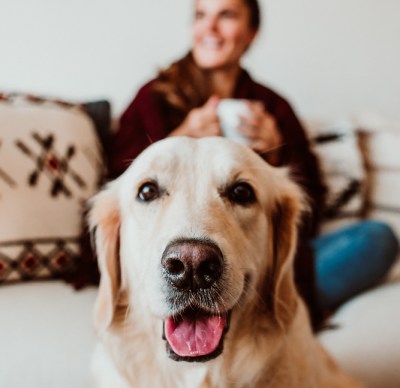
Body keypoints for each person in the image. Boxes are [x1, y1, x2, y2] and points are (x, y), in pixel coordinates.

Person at [107, 0, 399, 328]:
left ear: (251, 33)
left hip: (257, 257)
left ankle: (274, 296)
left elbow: (310, 208)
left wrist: (277, 156)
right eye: (201, 16)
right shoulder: (152, 98)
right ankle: (283, 306)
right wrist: (178, 138)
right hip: (168, 258)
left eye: (226, 16)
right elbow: (118, 193)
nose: (210, 28)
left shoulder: (274, 107)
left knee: (377, 238)